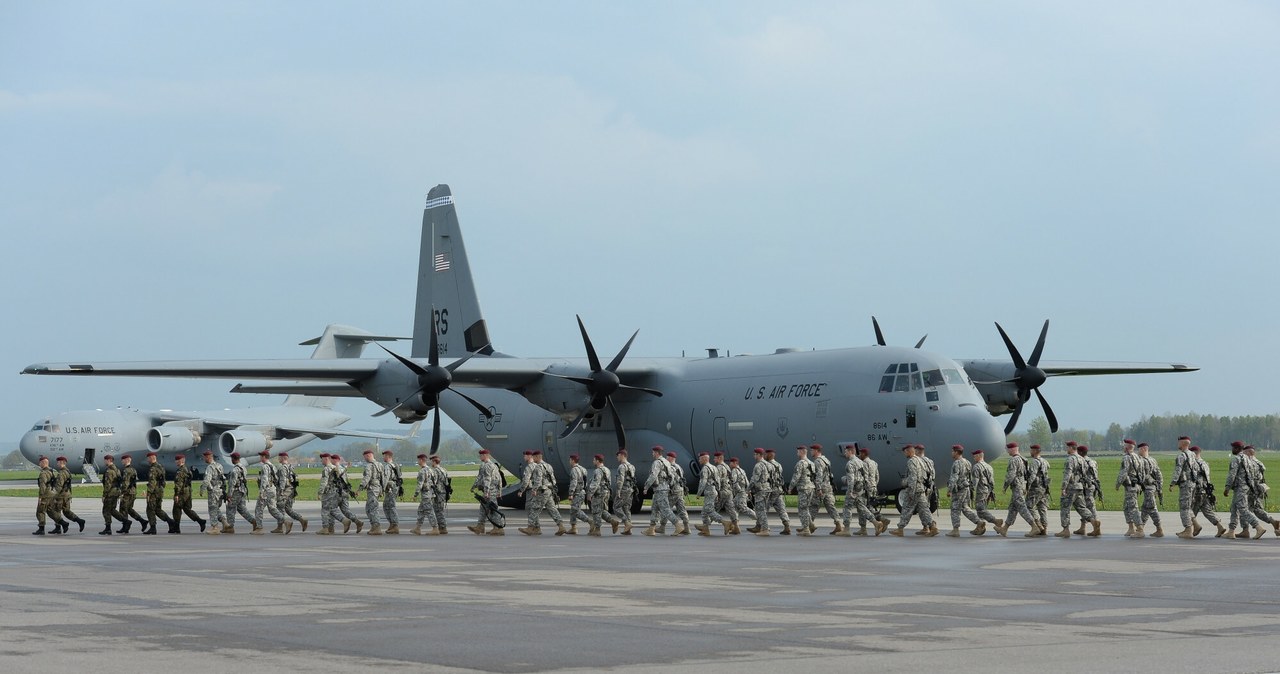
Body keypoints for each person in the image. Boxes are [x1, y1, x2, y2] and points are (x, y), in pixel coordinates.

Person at [889, 445, 935, 536]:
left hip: (914, 489)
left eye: (905, 451)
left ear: (909, 451)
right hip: (921, 489)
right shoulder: (920, 460)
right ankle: (933, 527)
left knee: (906, 508)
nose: (904, 453)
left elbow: (913, 478)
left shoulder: (911, 461)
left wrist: (910, 491)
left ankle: (900, 529)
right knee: (924, 509)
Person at [997, 443, 1038, 537]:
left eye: (1008, 449)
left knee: (1022, 507)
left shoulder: (1013, 460)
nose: (1007, 451)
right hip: (1022, 486)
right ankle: (1004, 529)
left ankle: (1034, 526)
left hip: (1017, 487)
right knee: (1012, 508)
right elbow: (1027, 474)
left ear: (1012, 449)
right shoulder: (1024, 459)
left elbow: (1011, 474)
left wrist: (1005, 486)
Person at [836, 443, 875, 537]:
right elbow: (865, 476)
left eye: (846, 451)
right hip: (861, 489)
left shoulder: (850, 463)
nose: (845, 453)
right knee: (861, 507)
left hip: (853, 489)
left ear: (851, 451)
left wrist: (850, 492)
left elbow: (851, 480)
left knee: (847, 508)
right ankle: (876, 523)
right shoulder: (861, 462)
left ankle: (846, 529)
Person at [1189, 445, 1226, 537]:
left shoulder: (1193, 464)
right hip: (1206, 490)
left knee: (1189, 511)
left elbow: (1192, 478)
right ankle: (1220, 526)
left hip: (1197, 491)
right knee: (1207, 511)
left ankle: (1193, 529)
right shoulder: (1205, 463)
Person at [1243, 446, 1279, 538]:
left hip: (1251, 489)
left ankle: (1249, 530)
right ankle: (1273, 521)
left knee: (1244, 509)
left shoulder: (1249, 463)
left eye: (1244, 452)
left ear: (1248, 452)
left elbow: (1249, 478)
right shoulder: (1259, 462)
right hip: (1258, 489)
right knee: (1257, 510)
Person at [946, 445, 979, 537]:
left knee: (955, 509)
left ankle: (955, 530)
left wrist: (949, 490)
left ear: (956, 452)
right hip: (966, 488)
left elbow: (954, 477)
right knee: (965, 508)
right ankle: (979, 522)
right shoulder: (967, 462)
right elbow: (970, 476)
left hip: (959, 490)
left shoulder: (956, 463)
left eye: (952, 451)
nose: (951, 453)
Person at [469, 449, 504, 535]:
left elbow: (487, 479)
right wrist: (474, 487)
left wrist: (486, 492)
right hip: (492, 490)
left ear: (486, 455)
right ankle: (480, 527)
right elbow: (498, 479)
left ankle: (498, 528)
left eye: (481, 455)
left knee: (492, 509)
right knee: (483, 509)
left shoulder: (487, 466)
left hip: (490, 491)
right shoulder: (492, 465)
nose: (480, 457)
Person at [808, 444, 841, 534]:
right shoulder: (826, 460)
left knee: (813, 506)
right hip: (828, 486)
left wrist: (818, 488)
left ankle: (808, 527)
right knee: (830, 506)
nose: (810, 452)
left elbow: (818, 475)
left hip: (821, 487)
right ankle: (838, 524)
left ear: (816, 451)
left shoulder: (818, 462)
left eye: (812, 450)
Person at [644, 445, 677, 536]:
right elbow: (672, 476)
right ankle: (651, 528)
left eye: (653, 452)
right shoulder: (666, 462)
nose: (652, 454)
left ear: (657, 453)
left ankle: (678, 525)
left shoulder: (657, 463)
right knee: (654, 508)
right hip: (664, 488)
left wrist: (646, 486)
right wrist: (669, 486)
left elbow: (653, 475)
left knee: (665, 509)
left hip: (660, 489)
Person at [1057, 441, 1088, 538]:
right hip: (1079, 486)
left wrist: (1063, 487)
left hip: (1071, 487)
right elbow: (1085, 472)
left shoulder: (1070, 459)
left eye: (1067, 447)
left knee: (1065, 508)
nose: (1066, 449)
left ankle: (1065, 530)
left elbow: (1068, 474)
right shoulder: (1082, 459)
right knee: (1082, 507)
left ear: (1071, 448)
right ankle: (1094, 521)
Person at [170, 453, 206, 533]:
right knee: (187, 509)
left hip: (182, 492)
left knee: (176, 509)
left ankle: (177, 527)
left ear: (181, 461)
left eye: (177, 460)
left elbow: (178, 484)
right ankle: (200, 521)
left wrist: (176, 494)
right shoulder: (187, 469)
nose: (176, 462)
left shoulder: (180, 471)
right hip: (188, 491)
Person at [1169, 436, 1197, 538]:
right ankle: (1196, 526)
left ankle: (1188, 530)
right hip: (1192, 484)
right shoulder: (1193, 454)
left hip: (1185, 484)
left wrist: (1172, 483)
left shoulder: (1181, 456)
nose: (1178, 444)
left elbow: (1178, 470)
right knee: (1189, 506)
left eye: (1179, 442)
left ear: (1184, 444)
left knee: (1184, 508)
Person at [859, 446, 891, 535]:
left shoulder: (864, 463)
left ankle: (881, 520)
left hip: (867, 488)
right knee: (870, 506)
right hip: (873, 487)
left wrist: (864, 487)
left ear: (864, 454)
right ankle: (880, 521)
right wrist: (874, 485)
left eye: (860, 453)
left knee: (865, 507)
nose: (859, 455)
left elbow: (864, 477)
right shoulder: (874, 463)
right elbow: (877, 476)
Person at [143, 452, 175, 535]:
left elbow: (152, 481)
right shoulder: (161, 467)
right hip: (160, 490)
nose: (148, 460)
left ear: (152, 458)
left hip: (154, 492)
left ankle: (153, 528)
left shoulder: (153, 469)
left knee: (150, 509)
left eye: (148, 458)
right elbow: (163, 480)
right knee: (157, 509)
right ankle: (170, 522)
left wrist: (149, 492)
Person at [1224, 442, 1252, 539]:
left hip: (1240, 487)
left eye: (1233, 448)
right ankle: (1232, 531)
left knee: (1242, 509)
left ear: (1236, 448)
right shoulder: (1247, 458)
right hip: (1246, 487)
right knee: (1234, 508)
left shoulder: (1236, 459)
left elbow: (1232, 474)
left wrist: (1227, 488)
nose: (1232, 450)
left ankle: (1257, 526)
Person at [588, 454, 621, 536]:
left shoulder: (598, 471)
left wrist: (590, 493)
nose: (593, 461)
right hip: (606, 492)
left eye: (594, 460)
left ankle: (597, 529)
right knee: (601, 511)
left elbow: (596, 482)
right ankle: (613, 522)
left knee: (596, 511)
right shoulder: (607, 470)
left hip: (599, 493)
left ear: (597, 461)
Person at [254, 451, 286, 535]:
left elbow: (264, 480)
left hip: (266, 490)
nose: (260, 458)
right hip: (272, 489)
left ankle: (259, 528)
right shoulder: (272, 466)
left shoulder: (265, 467)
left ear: (264, 457)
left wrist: (262, 491)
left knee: (258, 508)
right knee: (272, 509)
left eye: (261, 456)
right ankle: (285, 521)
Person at [34, 456, 67, 536]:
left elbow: (43, 485)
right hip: (52, 493)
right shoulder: (51, 471)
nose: (39, 464)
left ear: (43, 463)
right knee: (50, 511)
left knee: (40, 511)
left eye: (40, 462)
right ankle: (63, 523)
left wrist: (41, 496)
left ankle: (41, 528)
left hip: (45, 494)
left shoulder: (43, 473)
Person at [1136, 443, 1164, 537]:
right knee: (1145, 508)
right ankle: (1140, 528)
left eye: (1139, 449)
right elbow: (1159, 475)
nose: (1138, 451)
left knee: (1152, 509)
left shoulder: (1141, 461)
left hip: (1148, 488)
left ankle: (1159, 529)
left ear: (1144, 449)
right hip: (1152, 487)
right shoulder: (1153, 460)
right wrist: (1159, 487)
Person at [971, 449, 1002, 535]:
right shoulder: (989, 466)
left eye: (974, 456)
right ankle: (980, 528)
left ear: (978, 456)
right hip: (988, 490)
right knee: (981, 509)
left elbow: (974, 482)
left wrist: (970, 490)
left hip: (981, 490)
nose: (973, 458)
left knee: (980, 509)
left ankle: (996, 521)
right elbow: (992, 481)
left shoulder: (977, 466)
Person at [694, 452, 726, 536]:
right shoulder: (714, 468)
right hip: (714, 490)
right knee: (704, 512)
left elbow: (703, 482)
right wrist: (717, 491)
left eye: (700, 458)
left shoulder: (705, 468)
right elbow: (718, 481)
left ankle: (725, 522)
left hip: (709, 491)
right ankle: (705, 529)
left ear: (705, 459)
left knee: (709, 510)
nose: (699, 460)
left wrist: (698, 493)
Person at [225, 452, 257, 534]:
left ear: (233, 459)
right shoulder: (243, 467)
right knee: (242, 508)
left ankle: (230, 527)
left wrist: (229, 495)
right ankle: (253, 521)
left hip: (236, 491)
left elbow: (232, 483)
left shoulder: (235, 469)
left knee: (230, 507)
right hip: (243, 490)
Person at [331, 455, 364, 533]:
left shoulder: (334, 469)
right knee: (346, 510)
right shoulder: (343, 468)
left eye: (331, 459)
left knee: (331, 509)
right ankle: (357, 521)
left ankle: (337, 525)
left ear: (335, 460)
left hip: (337, 493)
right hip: (345, 492)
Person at [52, 457, 85, 533]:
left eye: (58, 462)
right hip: (67, 494)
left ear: (62, 462)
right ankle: (79, 521)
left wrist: (54, 495)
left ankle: (58, 527)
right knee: (66, 511)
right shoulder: (67, 471)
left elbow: (59, 486)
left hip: (61, 495)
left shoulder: (62, 473)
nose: (57, 464)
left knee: (56, 511)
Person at [277, 452, 307, 534]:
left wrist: (281, 492)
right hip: (291, 490)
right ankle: (302, 520)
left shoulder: (283, 468)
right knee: (288, 509)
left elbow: (282, 480)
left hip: (285, 490)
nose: (278, 459)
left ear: (283, 458)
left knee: (280, 507)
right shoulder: (291, 467)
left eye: (279, 457)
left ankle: (281, 527)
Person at [789, 445, 816, 536]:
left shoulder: (800, 463)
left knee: (802, 509)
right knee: (806, 508)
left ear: (802, 452)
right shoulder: (811, 463)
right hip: (811, 487)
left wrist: (790, 487)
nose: (797, 453)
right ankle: (811, 525)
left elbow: (796, 477)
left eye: (798, 451)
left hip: (803, 488)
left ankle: (806, 529)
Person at [1117, 439, 1142, 536]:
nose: (1123, 447)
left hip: (1130, 486)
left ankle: (1139, 529)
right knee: (1126, 507)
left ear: (1127, 447)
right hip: (1136, 485)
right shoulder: (1138, 457)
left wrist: (1118, 484)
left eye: (1124, 446)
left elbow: (1124, 472)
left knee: (1132, 508)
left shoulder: (1127, 458)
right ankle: (1131, 528)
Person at [117, 454, 148, 533]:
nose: (122, 461)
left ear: (127, 460)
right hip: (133, 492)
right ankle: (142, 521)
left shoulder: (126, 470)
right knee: (129, 509)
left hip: (127, 492)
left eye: (123, 459)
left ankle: (125, 526)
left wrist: (121, 492)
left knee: (123, 509)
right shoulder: (133, 469)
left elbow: (126, 483)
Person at [99, 454, 128, 535]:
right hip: (116, 492)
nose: (104, 462)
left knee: (106, 511)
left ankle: (108, 528)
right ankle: (126, 521)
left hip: (110, 493)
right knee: (112, 510)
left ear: (108, 460)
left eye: (105, 460)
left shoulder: (109, 471)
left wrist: (104, 495)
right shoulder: (117, 470)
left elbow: (108, 484)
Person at [411, 454, 440, 535]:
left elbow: (420, 484)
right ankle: (417, 528)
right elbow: (435, 481)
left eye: (418, 460)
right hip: (431, 493)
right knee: (420, 510)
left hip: (426, 495)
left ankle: (435, 528)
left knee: (429, 511)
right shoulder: (431, 470)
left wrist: (415, 495)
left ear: (421, 460)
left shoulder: (422, 471)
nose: (418, 462)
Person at [357, 449, 385, 535]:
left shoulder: (369, 466)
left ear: (368, 455)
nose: (364, 458)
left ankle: (376, 527)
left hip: (372, 489)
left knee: (371, 509)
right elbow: (383, 478)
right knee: (370, 508)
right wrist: (382, 489)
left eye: (365, 457)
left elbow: (367, 478)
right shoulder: (380, 465)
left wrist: (360, 488)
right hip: (378, 488)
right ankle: (374, 526)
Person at [765, 448, 792, 535]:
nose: (765, 456)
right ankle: (787, 526)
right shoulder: (778, 465)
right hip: (779, 489)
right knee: (781, 509)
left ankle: (762, 527)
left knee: (763, 508)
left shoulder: (767, 465)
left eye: (766, 454)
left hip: (771, 490)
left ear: (769, 455)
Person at [200, 451, 228, 534]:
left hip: (213, 491)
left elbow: (207, 480)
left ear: (209, 457)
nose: (204, 458)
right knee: (216, 508)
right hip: (220, 490)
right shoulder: (219, 466)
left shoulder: (210, 467)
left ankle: (215, 527)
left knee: (212, 509)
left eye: (205, 457)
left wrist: (202, 489)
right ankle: (225, 523)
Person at [1077, 446, 1102, 537]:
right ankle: (1082, 527)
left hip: (1086, 486)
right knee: (1084, 506)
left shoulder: (1081, 462)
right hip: (1092, 485)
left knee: (1090, 507)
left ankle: (1096, 528)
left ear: (1079, 453)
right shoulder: (1093, 461)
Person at [711, 452, 739, 534]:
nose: (714, 459)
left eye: (715, 458)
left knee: (711, 509)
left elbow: (717, 481)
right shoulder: (726, 466)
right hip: (729, 491)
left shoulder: (719, 467)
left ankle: (706, 526)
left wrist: (716, 492)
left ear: (719, 458)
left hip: (722, 491)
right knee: (731, 509)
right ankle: (736, 527)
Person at [726, 456, 756, 532]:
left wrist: (740, 491)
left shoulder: (734, 471)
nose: (730, 464)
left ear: (735, 463)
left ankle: (759, 519)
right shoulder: (742, 470)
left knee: (743, 508)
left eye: (731, 463)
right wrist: (748, 491)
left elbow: (735, 483)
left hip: (740, 492)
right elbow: (747, 481)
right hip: (743, 491)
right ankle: (735, 526)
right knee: (734, 507)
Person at [1027, 444, 1051, 536]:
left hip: (1036, 487)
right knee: (1042, 508)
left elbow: (1032, 475)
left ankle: (1038, 525)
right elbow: (1048, 467)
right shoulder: (1044, 461)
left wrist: (1027, 486)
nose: (1030, 452)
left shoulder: (1034, 462)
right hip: (1044, 487)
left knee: (1029, 506)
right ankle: (1044, 528)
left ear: (1035, 451)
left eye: (1031, 450)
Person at [748, 448, 772, 535]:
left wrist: (748, 489)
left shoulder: (758, 465)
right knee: (763, 509)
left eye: (755, 454)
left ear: (759, 455)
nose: (754, 456)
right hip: (768, 489)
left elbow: (754, 479)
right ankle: (760, 527)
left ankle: (765, 529)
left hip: (761, 490)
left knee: (760, 510)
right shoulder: (769, 465)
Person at [612, 449, 637, 535]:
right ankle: (628, 529)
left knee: (616, 507)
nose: (617, 457)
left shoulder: (622, 467)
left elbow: (621, 479)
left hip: (624, 489)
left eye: (618, 455)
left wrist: (618, 490)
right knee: (626, 508)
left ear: (622, 455)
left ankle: (627, 523)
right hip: (630, 490)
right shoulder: (632, 466)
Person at [667, 452, 691, 536]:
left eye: (668, 457)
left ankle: (676, 527)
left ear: (671, 458)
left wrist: (668, 487)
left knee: (666, 509)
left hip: (674, 490)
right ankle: (687, 528)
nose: (667, 459)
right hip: (680, 490)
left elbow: (672, 480)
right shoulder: (679, 467)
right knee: (682, 509)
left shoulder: (671, 467)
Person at [566, 454, 591, 535]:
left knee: (575, 510)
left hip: (577, 492)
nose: (569, 461)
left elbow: (574, 482)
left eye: (570, 460)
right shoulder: (583, 469)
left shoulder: (574, 470)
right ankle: (573, 528)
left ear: (573, 460)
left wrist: (571, 493)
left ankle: (590, 521)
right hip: (582, 492)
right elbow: (586, 481)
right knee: (573, 510)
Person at [381, 450, 402, 535]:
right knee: (388, 505)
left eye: (384, 456)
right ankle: (392, 524)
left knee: (389, 506)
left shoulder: (388, 466)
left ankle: (394, 525)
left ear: (388, 456)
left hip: (390, 488)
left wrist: (382, 488)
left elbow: (386, 478)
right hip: (395, 487)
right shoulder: (396, 465)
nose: (383, 457)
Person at [430, 454, 450, 534]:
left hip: (438, 492)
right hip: (443, 492)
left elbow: (433, 482)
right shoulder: (444, 470)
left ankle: (442, 527)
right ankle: (442, 526)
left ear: (434, 462)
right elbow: (447, 482)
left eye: (432, 461)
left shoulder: (435, 471)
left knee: (438, 510)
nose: (431, 463)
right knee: (440, 510)